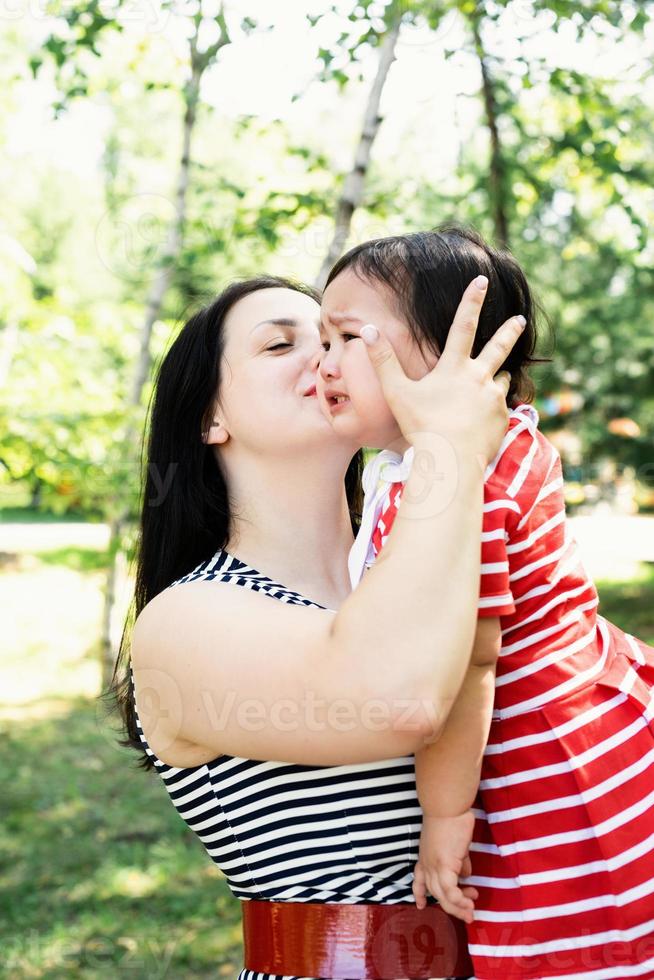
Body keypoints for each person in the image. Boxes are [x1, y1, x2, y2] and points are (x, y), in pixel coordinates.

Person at [111, 272, 524, 980]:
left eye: (341, 336)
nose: (329, 357)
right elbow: (398, 702)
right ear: (211, 418)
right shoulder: (181, 623)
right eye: (281, 345)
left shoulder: (434, 565)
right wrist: (448, 452)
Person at [317, 225, 654, 979]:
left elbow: (467, 663)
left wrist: (443, 817)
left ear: (453, 356)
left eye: (344, 338)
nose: (323, 361)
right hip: (591, 713)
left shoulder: (454, 484)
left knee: (574, 947)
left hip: (549, 765)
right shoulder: (470, 453)